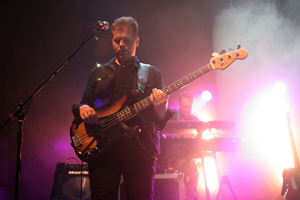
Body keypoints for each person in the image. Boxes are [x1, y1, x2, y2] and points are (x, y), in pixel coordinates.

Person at [71, 16, 174, 200]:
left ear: (137, 41)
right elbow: (83, 103)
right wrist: (83, 108)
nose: (121, 45)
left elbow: (160, 122)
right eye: (117, 40)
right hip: (103, 151)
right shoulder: (98, 72)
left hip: (141, 151)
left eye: (126, 40)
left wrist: (162, 107)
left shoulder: (151, 73)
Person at [170, 92, 199, 200]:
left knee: (193, 168)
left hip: (188, 157)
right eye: (184, 106)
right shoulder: (172, 116)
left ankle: (191, 195)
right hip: (171, 156)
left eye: (189, 107)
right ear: (179, 104)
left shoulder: (195, 120)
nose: (187, 109)